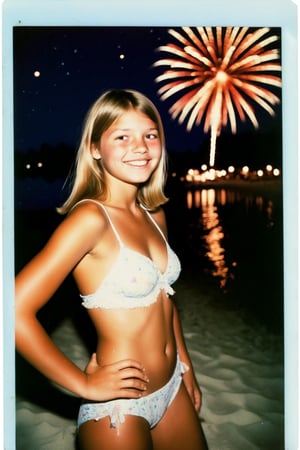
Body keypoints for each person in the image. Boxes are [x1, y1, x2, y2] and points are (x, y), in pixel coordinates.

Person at [15, 89, 208, 450]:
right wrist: (83, 384)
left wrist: (186, 365)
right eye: (122, 137)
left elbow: (164, 298)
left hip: (172, 388)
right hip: (118, 405)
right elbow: (13, 311)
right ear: (94, 148)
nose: (141, 147)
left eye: (150, 135)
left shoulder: (155, 216)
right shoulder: (90, 220)